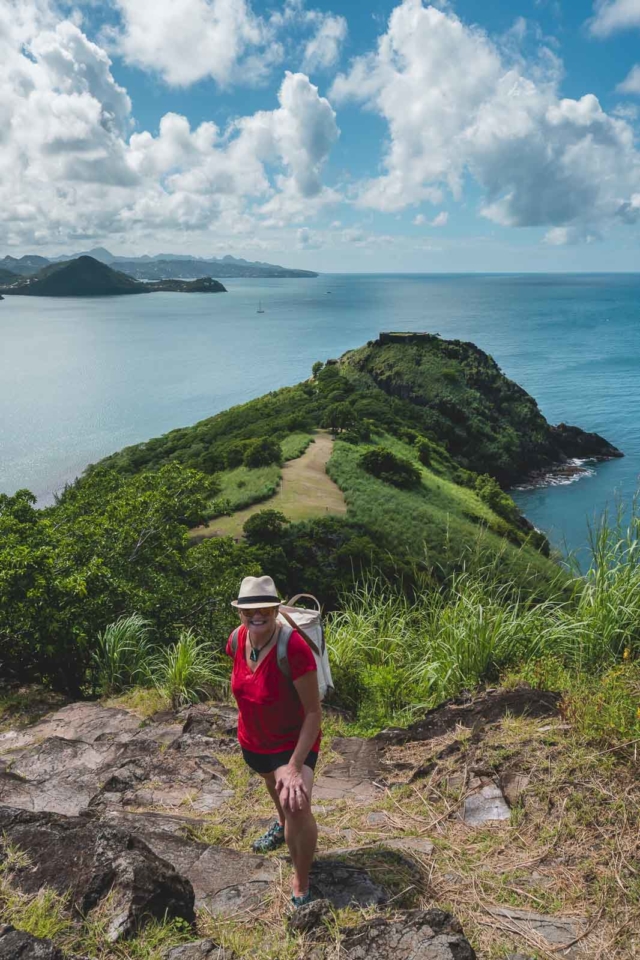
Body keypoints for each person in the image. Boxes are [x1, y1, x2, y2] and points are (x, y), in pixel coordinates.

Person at [226, 575, 322, 907]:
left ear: (275, 609)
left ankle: (301, 880)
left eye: (265, 608)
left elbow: (313, 712)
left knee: (296, 802)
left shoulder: (292, 648)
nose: (257, 615)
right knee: (271, 783)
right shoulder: (238, 639)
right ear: (240, 612)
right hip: (254, 741)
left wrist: (295, 766)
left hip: (290, 743)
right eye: (249, 609)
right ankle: (281, 828)